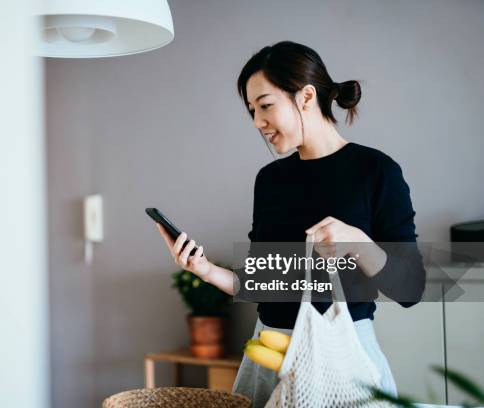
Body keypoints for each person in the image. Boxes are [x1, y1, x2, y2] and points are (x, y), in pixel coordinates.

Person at [155, 41, 425, 407]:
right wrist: (205, 270)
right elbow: (266, 279)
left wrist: (357, 241)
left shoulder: (377, 172)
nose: (257, 122)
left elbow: (410, 288)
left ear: (306, 96)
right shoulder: (269, 180)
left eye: (265, 105)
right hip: (269, 355)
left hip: (343, 363)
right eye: (251, 110)